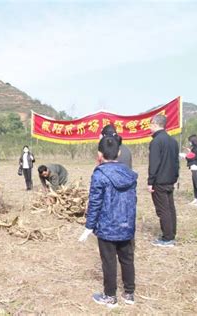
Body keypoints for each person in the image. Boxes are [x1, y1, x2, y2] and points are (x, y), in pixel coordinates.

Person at [79, 136, 138, 308]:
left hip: (107, 226)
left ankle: (110, 297)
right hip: (126, 225)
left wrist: (89, 227)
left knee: (109, 261)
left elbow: (95, 202)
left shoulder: (100, 174)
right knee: (127, 259)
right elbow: (132, 201)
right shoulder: (129, 174)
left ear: (99, 154)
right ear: (119, 153)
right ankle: (129, 293)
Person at [148, 114, 179, 247]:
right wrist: (176, 177)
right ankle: (171, 233)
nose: (149, 127)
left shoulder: (156, 141)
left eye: (150, 124)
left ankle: (167, 238)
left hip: (159, 181)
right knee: (170, 208)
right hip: (170, 179)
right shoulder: (173, 141)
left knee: (163, 210)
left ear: (155, 124)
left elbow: (154, 163)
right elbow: (176, 162)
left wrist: (150, 181)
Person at [179, 134, 197, 206]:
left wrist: (184, 155)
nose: (189, 143)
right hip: (194, 168)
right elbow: (193, 154)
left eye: (190, 141)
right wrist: (190, 151)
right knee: (194, 184)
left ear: (193, 141)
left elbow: (192, 157)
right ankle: (195, 198)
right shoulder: (196, 148)